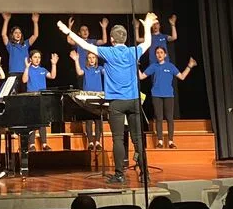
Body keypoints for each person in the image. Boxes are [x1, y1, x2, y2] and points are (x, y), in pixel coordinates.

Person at [58, 12, 158, 185]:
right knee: (137, 139)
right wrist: (147, 26)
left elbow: (84, 44)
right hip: (134, 101)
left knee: (118, 138)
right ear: (124, 39)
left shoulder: (108, 52)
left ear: (112, 39)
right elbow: (148, 43)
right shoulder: (133, 51)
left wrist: (68, 31)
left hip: (116, 103)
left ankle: (119, 175)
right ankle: (145, 173)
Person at [139, 48, 197, 148]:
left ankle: (170, 141)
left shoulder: (170, 66)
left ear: (165, 55)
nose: (159, 54)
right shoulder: (153, 66)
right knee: (159, 118)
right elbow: (141, 77)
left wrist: (189, 66)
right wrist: (135, 66)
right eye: (157, 53)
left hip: (168, 95)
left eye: (161, 52)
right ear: (155, 55)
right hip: (156, 95)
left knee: (170, 118)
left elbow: (182, 77)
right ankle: (160, 141)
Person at [22, 50, 58, 151]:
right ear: (30, 59)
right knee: (32, 121)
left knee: (43, 121)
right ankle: (32, 144)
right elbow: (24, 80)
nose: (37, 59)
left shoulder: (42, 70)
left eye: (39, 57)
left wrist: (54, 64)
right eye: (35, 57)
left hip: (42, 98)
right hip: (31, 98)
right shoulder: (28, 69)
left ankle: (44, 144)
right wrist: (27, 67)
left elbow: (52, 76)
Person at [69, 50, 105, 150]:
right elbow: (79, 72)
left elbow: (107, 72)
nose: (91, 60)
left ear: (96, 59)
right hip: (87, 96)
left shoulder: (100, 68)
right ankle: (90, 142)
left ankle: (97, 141)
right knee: (88, 120)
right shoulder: (85, 69)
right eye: (89, 58)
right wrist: (76, 60)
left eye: (93, 57)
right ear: (87, 60)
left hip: (98, 96)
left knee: (98, 121)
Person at [1, 12, 40, 92]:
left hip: (25, 73)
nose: (18, 34)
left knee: (24, 94)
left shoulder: (26, 43)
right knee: (13, 95)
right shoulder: (10, 45)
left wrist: (35, 22)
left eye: (19, 33)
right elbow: (3, 35)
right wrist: (6, 20)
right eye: (16, 33)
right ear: (12, 35)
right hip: (13, 73)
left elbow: (35, 35)